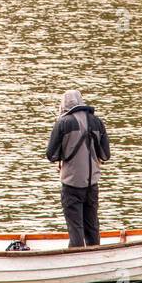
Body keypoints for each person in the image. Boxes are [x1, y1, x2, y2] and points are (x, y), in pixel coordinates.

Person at [45, 89, 111, 248]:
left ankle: (77, 261)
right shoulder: (97, 121)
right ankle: (95, 259)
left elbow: (51, 155)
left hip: (71, 186)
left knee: (76, 230)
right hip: (92, 185)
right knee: (92, 227)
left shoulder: (62, 123)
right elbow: (105, 154)